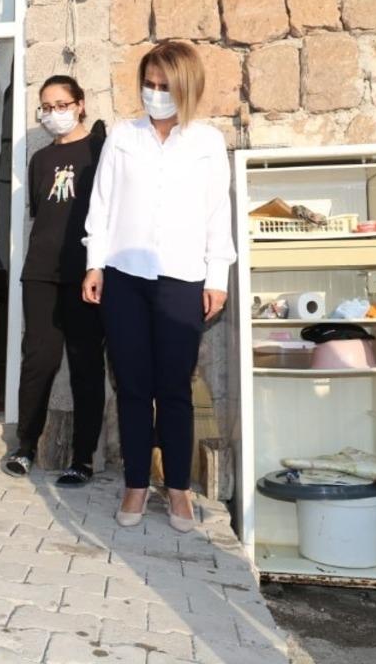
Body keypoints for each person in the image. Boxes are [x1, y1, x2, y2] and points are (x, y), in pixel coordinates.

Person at [82, 40, 236, 533]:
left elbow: (217, 213)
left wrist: (217, 277)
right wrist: (94, 264)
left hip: (182, 280)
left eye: (164, 86)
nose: (154, 94)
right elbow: (102, 205)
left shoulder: (207, 142)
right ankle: (133, 484)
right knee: (130, 386)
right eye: (147, 85)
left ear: (185, 87)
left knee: (173, 389)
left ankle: (178, 491)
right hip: (124, 276)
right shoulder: (123, 137)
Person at [3, 76, 107, 487]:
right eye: (46, 107)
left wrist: (98, 267)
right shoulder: (39, 159)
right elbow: (40, 214)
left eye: (61, 104)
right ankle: (25, 446)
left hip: (87, 273)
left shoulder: (100, 151)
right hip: (41, 271)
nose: (53, 113)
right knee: (39, 361)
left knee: (85, 365)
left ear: (80, 104)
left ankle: (82, 458)